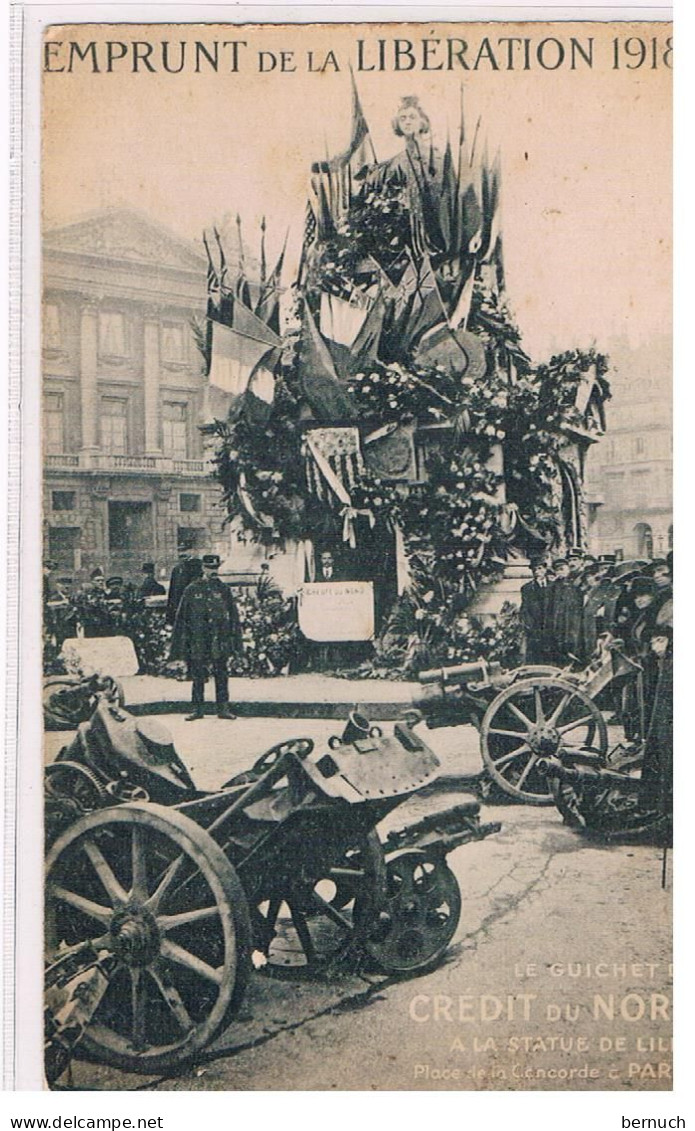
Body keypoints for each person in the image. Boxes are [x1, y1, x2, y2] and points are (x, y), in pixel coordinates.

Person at [169, 554, 242, 721]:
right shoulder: (192, 589)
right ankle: (197, 709)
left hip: (219, 639)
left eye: (216, 568)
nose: (213, 571)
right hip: (199, 640)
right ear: (203, 568)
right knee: (198, 675)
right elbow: (182, 618)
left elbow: (234, 617)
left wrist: (235, 641)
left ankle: (223, 708)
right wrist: (180, 645)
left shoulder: (223, 590)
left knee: (221, 673)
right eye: (210, 568)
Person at [545, 557, 583, 667]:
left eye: (562, 569)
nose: (560, 572)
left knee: (573, 643)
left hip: (573, 621)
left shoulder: (576, 585)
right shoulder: (553, 587)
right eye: (558, 570)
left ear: (568, 569)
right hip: (559, 621)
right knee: (559, 644)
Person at [519, 560, 550, 664]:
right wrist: (530, 625)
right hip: (535, 627)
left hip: (551, 626)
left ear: (545, 569)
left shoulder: (554, 586)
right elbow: (525, 608)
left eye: (540, 568)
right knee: (536, 654)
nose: (537, 572)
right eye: (534, 569)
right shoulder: (527, 588)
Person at [166, 538, 202, 625]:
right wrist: (170, 615)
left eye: (185, 550)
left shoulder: (199, 566)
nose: (182, 553)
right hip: (179, 609)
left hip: (194, 609)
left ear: (192, 551)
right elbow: (172, 593)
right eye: (180, 550)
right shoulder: (177, 569)